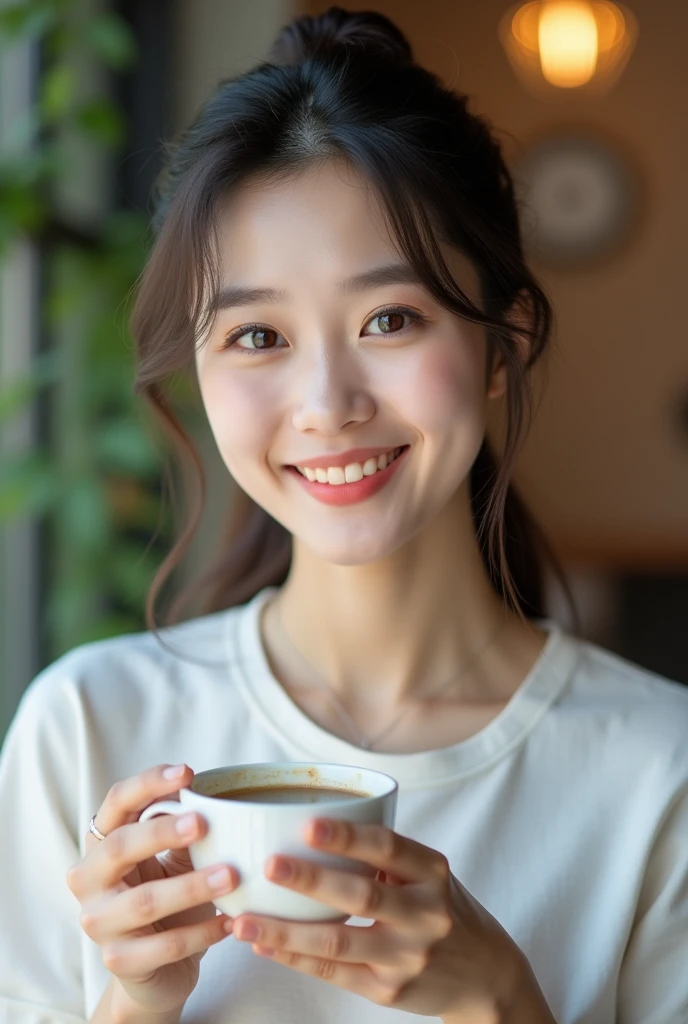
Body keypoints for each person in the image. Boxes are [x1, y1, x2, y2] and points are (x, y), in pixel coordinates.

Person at [1, 7, 686, 1024]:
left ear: (505, 343)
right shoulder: (89, 728)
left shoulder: (660, 774)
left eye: (388, 318)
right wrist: (134, 1003)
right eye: (256, 334)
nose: (327, 402)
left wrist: (501, 1000)